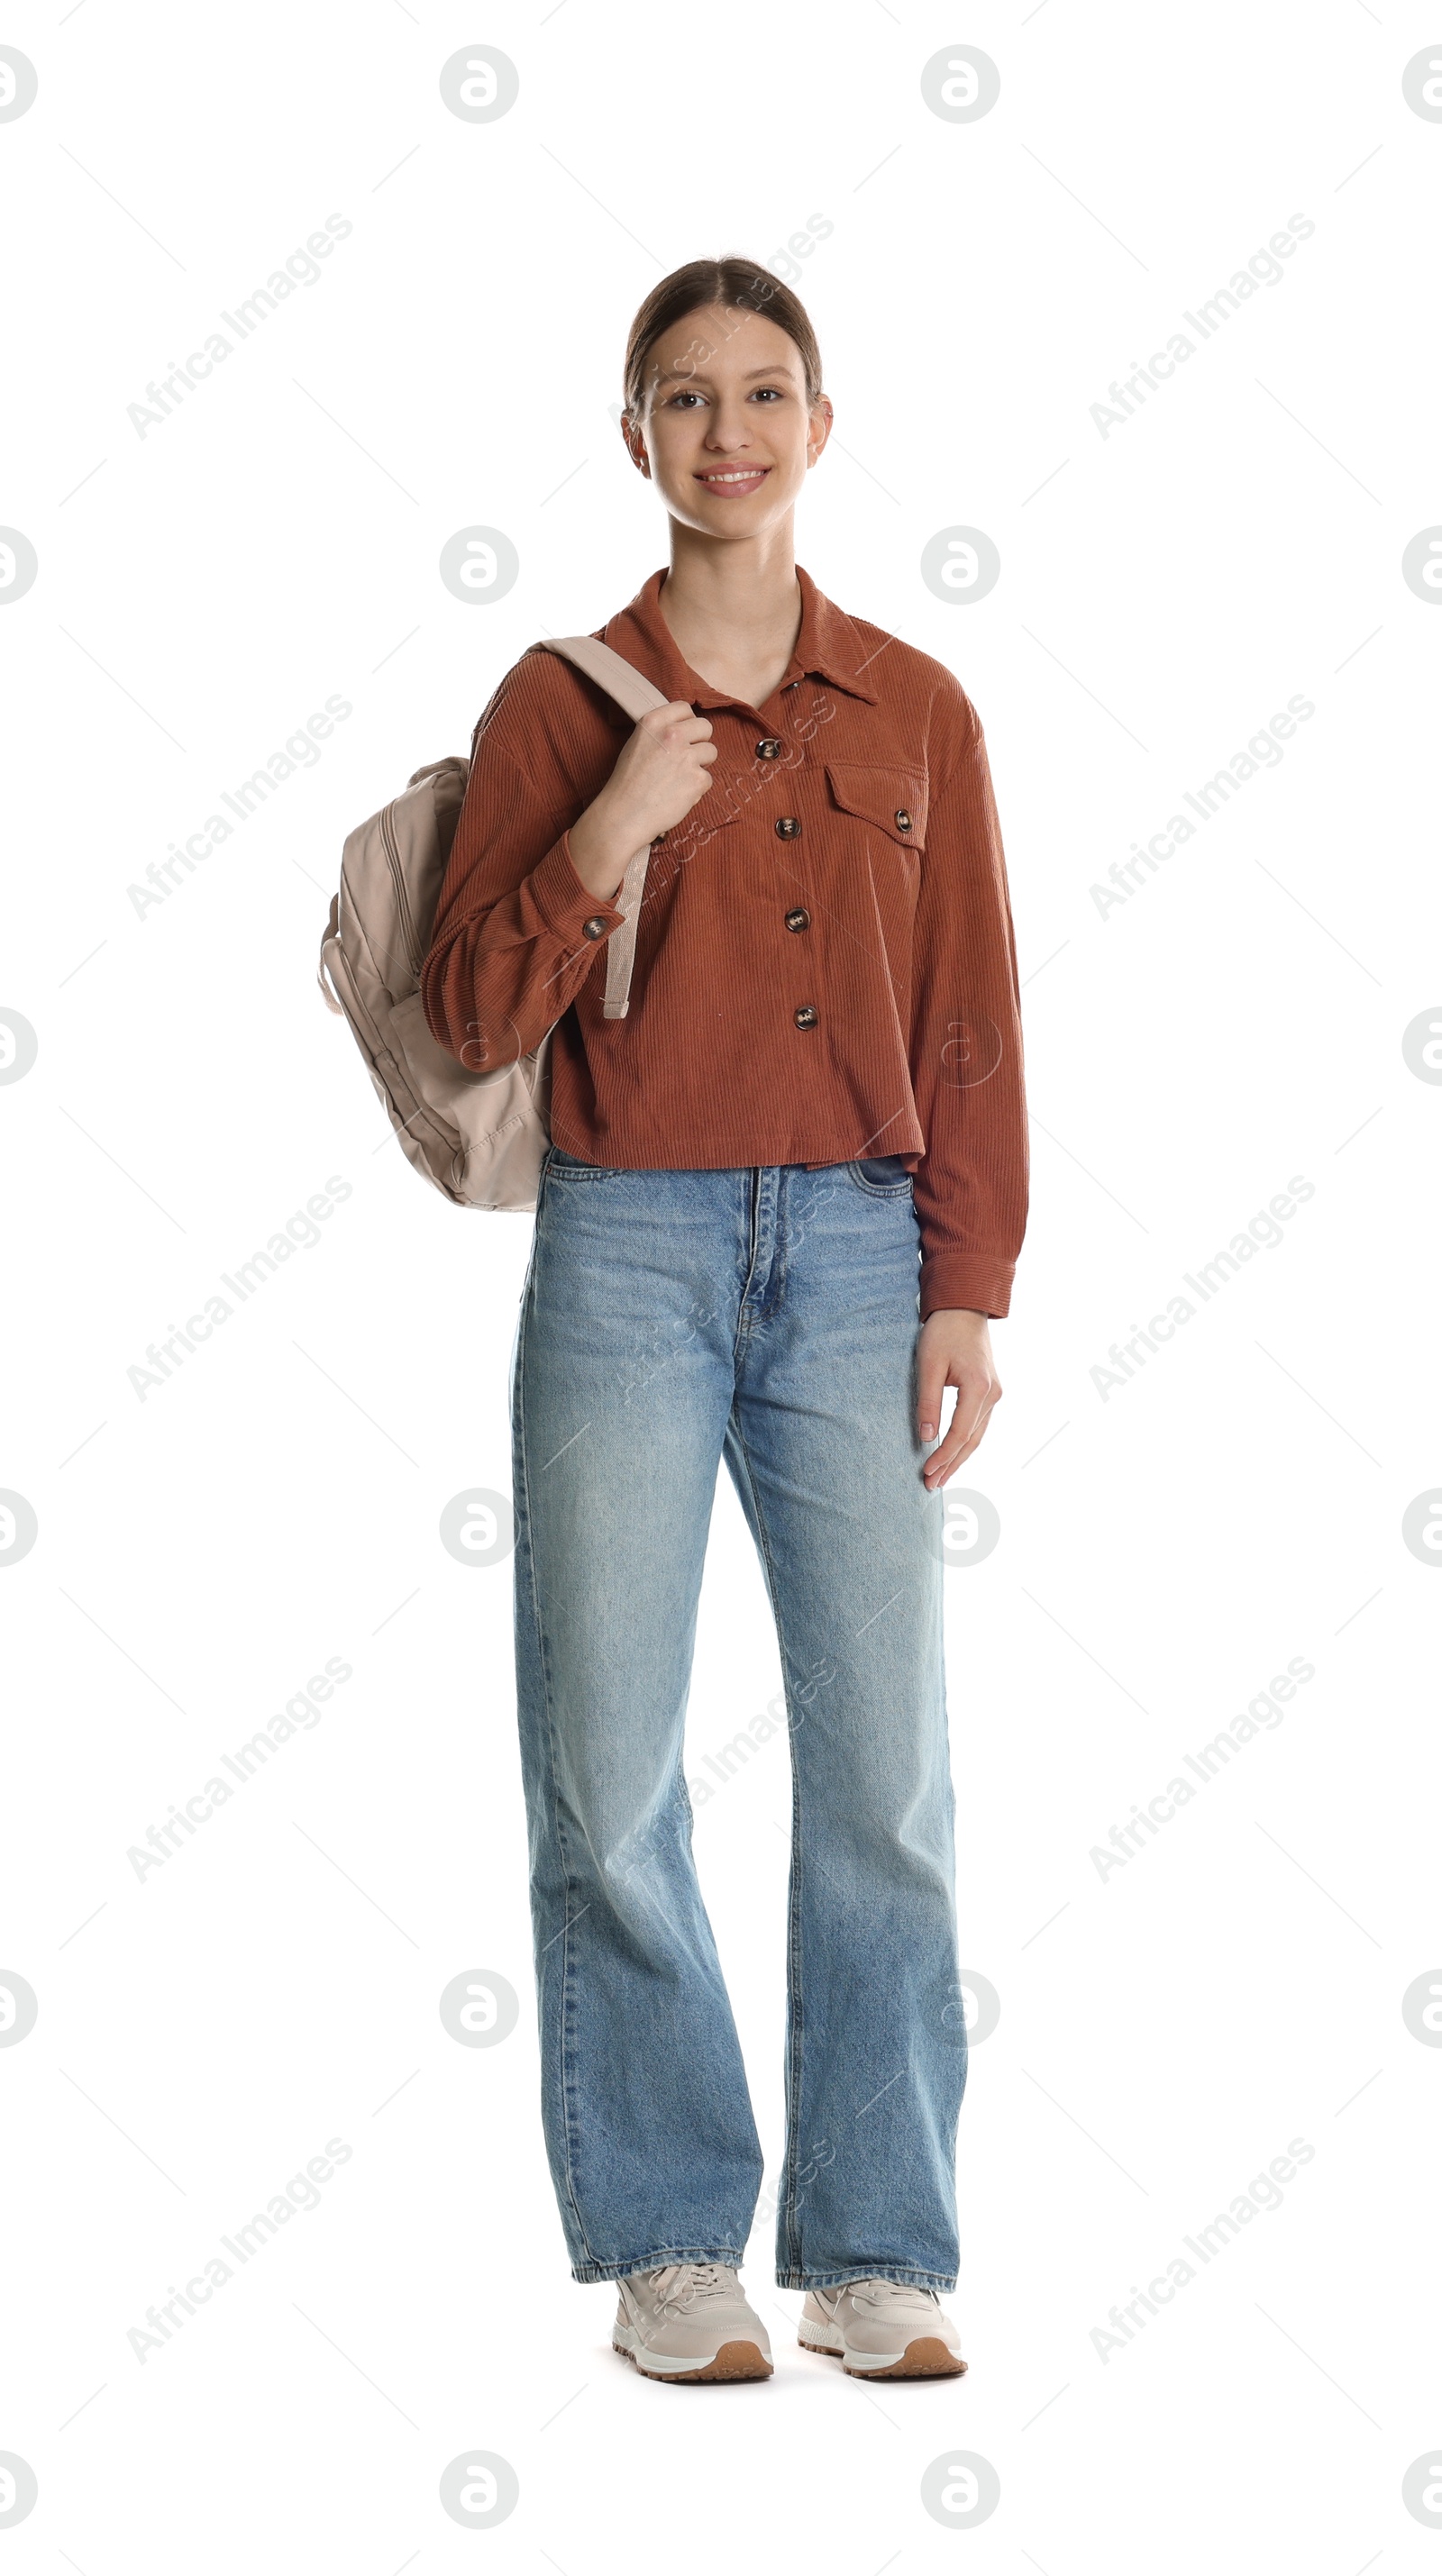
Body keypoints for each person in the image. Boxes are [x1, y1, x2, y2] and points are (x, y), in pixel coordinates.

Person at [422, 256, 1027, 2384]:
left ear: (820, 424)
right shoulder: (553, 705)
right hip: (623, 1249)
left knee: (881, 1767)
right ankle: (669, 2239)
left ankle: (875, 2248)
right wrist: (610, 820)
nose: (725, 433)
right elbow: (470, 1007)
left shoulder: (916, 707)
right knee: (605, 1759)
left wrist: (969, 1279)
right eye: (682, 398)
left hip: (860, 1251)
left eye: (762, 393)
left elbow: (966, 1025)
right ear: (632, 434)